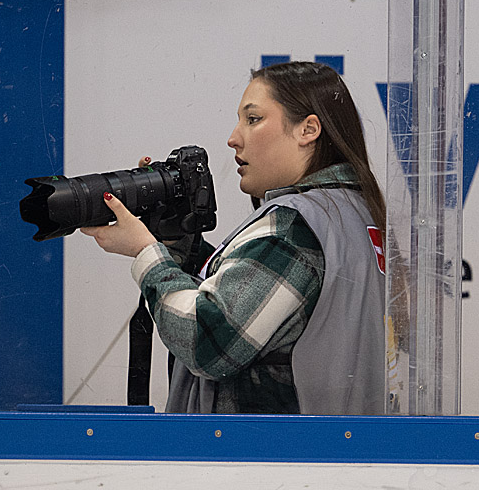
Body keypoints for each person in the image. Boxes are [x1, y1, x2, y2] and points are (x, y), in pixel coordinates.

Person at [81, 61, 386, 415]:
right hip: (328, 454)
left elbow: (207, 342)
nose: (233, 138)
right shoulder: (351, 213)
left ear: (308, 129)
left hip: (259, 460)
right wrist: (179, 252)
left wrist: (146, 253)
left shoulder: (293, 226)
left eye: (252, 119)